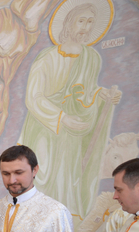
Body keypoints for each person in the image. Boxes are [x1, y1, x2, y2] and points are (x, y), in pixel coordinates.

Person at [17, 2, 122, 217]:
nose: (85, 27)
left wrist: (100, 94)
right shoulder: (48, 57)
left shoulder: (91, 57)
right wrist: (62, 117)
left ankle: (65, 221)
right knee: (44, 176)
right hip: (46, 127)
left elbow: (83, 92)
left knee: (68, 178)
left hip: (73, 133)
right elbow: (34, 97)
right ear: (69, 23)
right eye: (81, 21)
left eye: (90, 22)